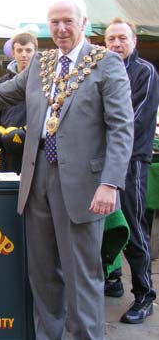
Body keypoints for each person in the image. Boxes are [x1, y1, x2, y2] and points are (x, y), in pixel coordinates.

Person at [0, 0, 134, 340]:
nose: (61, 28)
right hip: (36, 177)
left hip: (83, 186)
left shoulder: (105, 63)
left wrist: (110, 183)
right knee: (42, 274)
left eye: (68, 21)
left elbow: (121, 127)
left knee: (82, 276)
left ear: (84, 24)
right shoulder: (41, 63)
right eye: (54, 22)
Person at [104, 17, 158, 323]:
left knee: (135, 229)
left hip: (131, 163)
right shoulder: (101, 70)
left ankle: (144, 295)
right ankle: (112, 280)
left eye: (122, 38)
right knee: (102, 224)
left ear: (133, 41)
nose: (116, 44)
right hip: (100, 162)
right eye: (111, 39)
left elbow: (131, 121)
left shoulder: (145, 72)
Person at [0, 32, 38, 173]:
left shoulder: (43, 82)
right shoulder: (2, 82)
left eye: (28, 50)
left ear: (35, 52)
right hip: (8, 149)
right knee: (9, 191)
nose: (24, 54)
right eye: (19, 50)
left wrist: (26, 131)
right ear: (13, 53)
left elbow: (50, 115)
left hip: (36, 151)